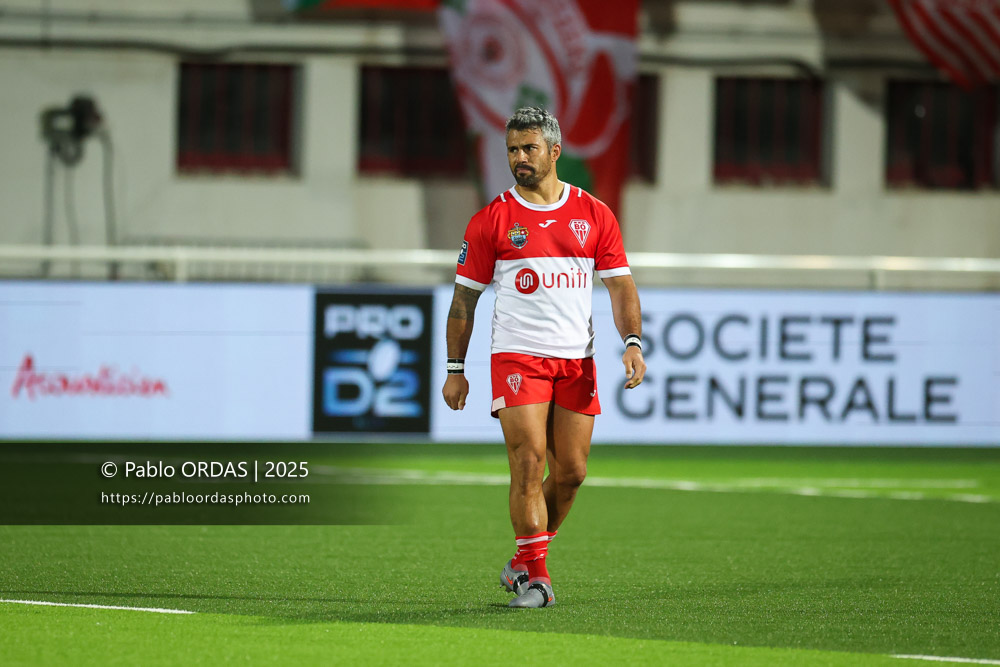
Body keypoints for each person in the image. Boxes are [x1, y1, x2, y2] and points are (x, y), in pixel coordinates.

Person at [441, 107, 646, 609]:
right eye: (512, 149)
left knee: (571, 473)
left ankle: (523, 559)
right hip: (517, 358)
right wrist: (455, 369)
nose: (519, 158)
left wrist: (633, 341)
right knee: (527, 463)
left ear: (554, 151)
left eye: (528, 148)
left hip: (578, 360)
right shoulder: (493, 220)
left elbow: (621, 288)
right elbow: (463, 300)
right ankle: (537, 579)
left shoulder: (594, 213)